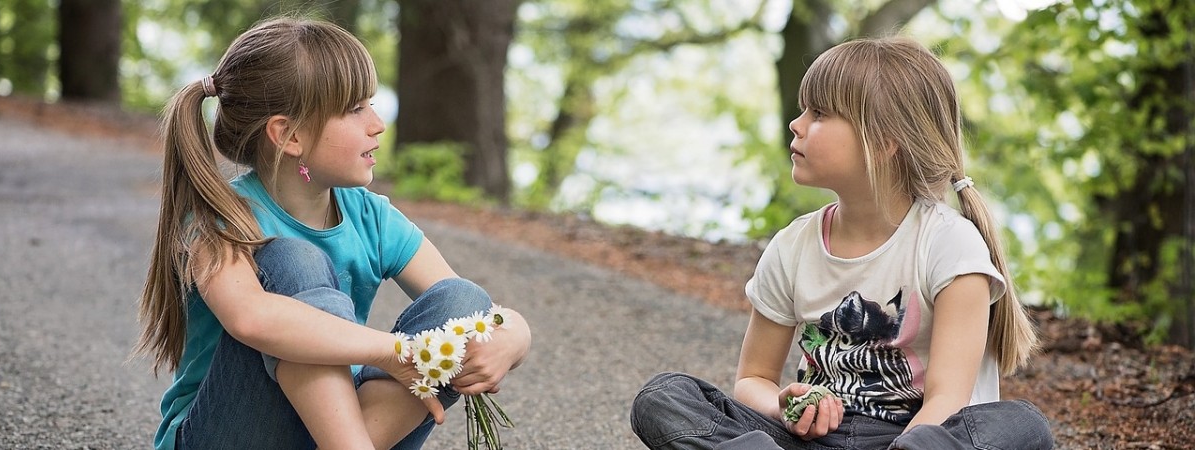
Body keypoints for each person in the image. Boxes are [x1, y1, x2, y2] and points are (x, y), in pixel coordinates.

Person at [629, 37, 1053, 450]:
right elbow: (752, 379)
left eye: (819, 114)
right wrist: (784, 406)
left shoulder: (949, 244)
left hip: (915, 436)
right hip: (807, 441)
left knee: (1021, 423)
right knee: (664, 397)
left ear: (885, 141)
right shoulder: (793, 245)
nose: (797, 125)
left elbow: (947, 400)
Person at [133, 17, 531, 450]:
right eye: (355, 109)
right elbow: (251, 318)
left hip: (330, 432)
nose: (377, 124)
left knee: (462, 300)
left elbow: (474, 309)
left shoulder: (371, 218)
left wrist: (512, 334)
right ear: (289, 135)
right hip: (224, 435)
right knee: (292, 260)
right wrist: (392, 350)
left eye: (372, 104)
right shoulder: (220, 219)